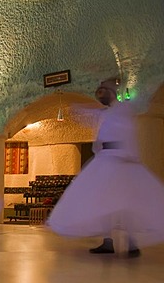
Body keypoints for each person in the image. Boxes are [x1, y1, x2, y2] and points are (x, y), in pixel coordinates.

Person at [47, 78, 164, 257]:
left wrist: (130, 156)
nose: (100, 96)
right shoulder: (104, 114)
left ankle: (131, 243)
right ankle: (108, 242)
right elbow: (93, 122)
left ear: (111, 93)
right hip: (105, 159)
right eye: (98, 93)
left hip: (122, 161)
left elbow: (128, 133)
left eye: (103, 92)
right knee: (104, 202)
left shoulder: (123, 109)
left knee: (125, 202)